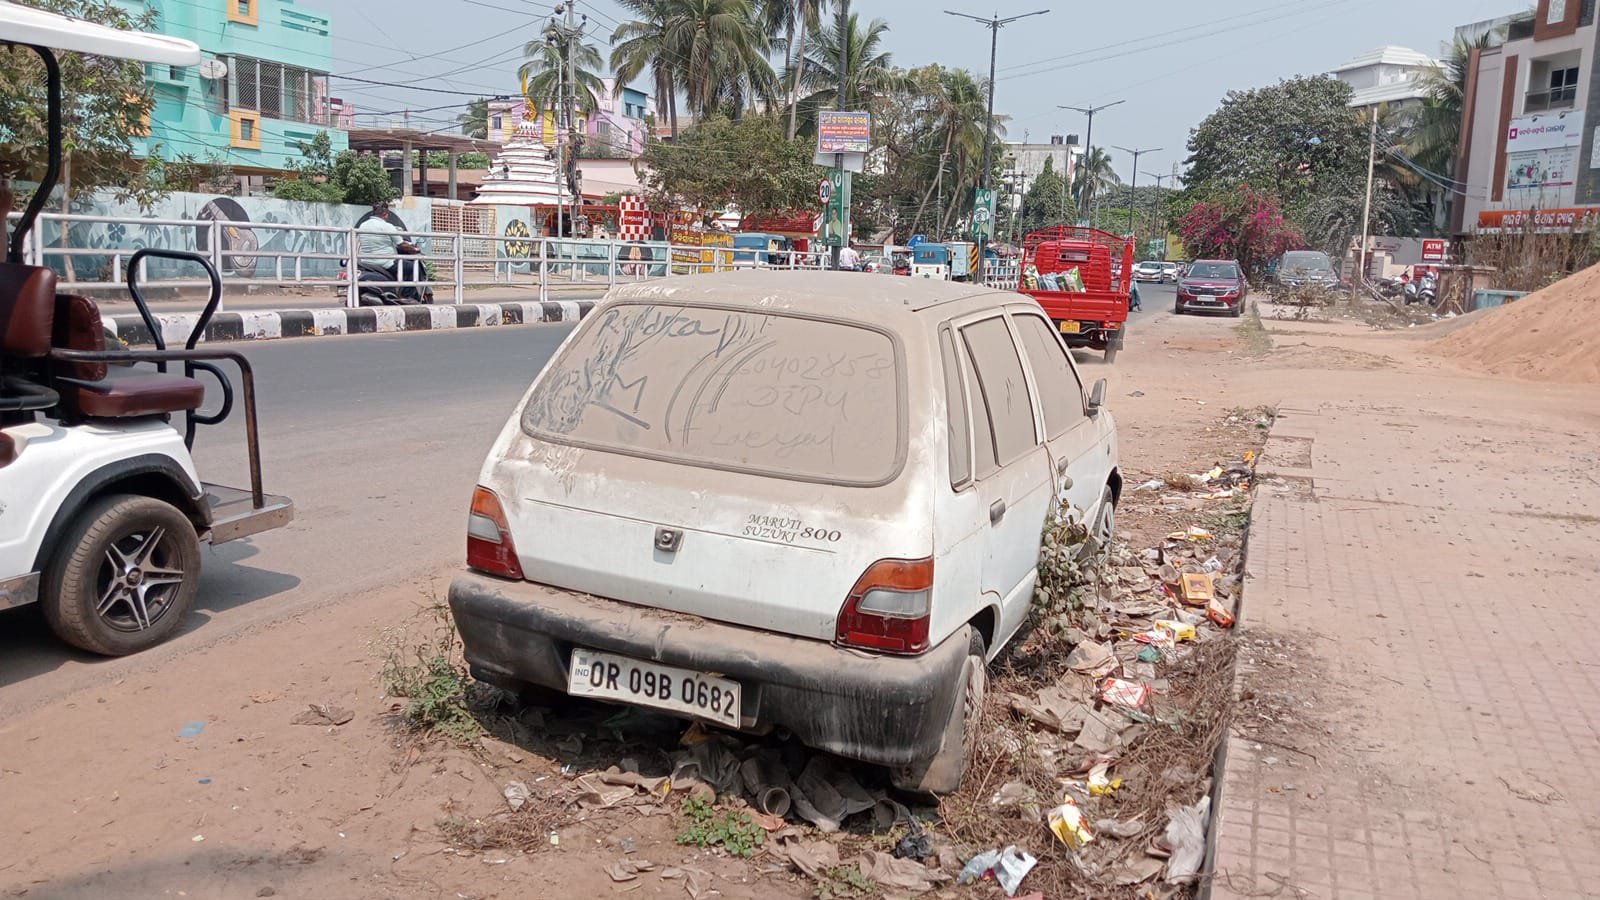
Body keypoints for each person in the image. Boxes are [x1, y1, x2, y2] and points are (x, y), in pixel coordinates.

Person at [356, 201, 429, 301]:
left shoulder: (363, 225)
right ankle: (408, 296)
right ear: (385, 214)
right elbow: (402, 244)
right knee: (412, 267)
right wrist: (415, 249)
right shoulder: (387, 226)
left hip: (367, 262)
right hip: (385, 262)